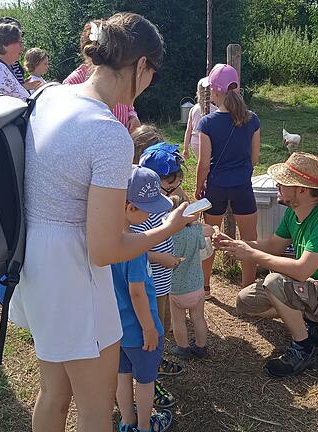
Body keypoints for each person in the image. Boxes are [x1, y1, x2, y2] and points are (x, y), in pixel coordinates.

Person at [6, 13, 194, 432]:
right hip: (76, 278)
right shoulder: (109, 133)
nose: (150, 81)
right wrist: (167, 229)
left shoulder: (50, 96)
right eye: (152, 72)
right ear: (141, 64)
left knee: (53, 393)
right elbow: (105, 248)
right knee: (95, 409)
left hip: (34, 265)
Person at [215, 152, 318, 378]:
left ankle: (303, 349)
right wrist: (237, 244)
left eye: (283, 182)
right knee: (245, 301)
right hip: (314, 286)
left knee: (274, 281)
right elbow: (274, 246)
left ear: (302, 189)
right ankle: (314, 323)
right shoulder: (293, 212)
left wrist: (252, 254)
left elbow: (302, 270)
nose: (277, 185)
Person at [113, 166, 175, 432]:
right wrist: (150, 328)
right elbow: (137, 291)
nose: (151, 214)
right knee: (146, 380)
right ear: (129, 207)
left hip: (116, 328)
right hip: (141, 330)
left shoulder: (105, 239)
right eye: (147, 208)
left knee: (122, 376)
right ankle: (146, 425)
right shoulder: (135, 245)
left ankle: (127, 421)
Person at [196, 63, 261, 296]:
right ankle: (248, 290)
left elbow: (204, 164)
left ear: (214, 91)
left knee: (210, 236)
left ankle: (205, 287)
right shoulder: (252, 119)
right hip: (243, 185)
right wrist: (241, 173)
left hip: (216, 187)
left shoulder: (207, 122)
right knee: (249, 240)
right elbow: (254, 158)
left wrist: (198, 188)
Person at [135, 141, 189, 407]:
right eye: (168, 185)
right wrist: (162, 257)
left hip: (162, 282)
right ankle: (148, 378)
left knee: (163, 326)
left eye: (175, 183)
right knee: (150, 331)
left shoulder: (159, 202)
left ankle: (156, 360)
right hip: (148, 283)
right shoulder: (139, 212)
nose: (173, 190)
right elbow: (133, 250)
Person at [63, 20, 142, 133]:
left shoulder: (118, 75)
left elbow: (130, 106)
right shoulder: (73, 82)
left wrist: (133, 116)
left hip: (120, 139)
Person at [168, 194, 214, 359]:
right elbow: (209, 232)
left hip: (175, 289)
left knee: (178, 320)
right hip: (196, 286)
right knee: (198, 318)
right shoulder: (195, 231)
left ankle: (183, 348)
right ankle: (201, 347)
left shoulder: (167, 235)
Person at [0, 16, 42, 93]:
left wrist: (23, 83)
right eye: (15, 33)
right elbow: (3, 93)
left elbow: (13, 85)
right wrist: (25, 86)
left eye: (21, 33)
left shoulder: (12, 61)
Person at [182, 77, 217, 160]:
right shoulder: (215, 110)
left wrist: (185, 148)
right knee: (209, 164)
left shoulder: (193, 109)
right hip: (209, 142)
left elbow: (188, 130)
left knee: (201, 162)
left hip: (195, 143)